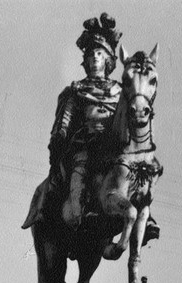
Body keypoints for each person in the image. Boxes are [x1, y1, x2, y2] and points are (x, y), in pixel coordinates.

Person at [47, 13, 123, 229]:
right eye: (89, 55)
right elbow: (66, 118)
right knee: (79, 170)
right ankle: (80, 214)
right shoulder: (76, 89)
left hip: (113, 147)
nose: (93, 59)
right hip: (85, 145)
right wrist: (60, 136)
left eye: (98, 54)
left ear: (108, 60)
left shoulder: (120, 91)